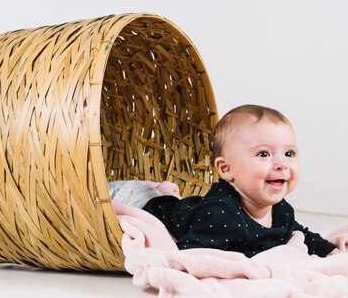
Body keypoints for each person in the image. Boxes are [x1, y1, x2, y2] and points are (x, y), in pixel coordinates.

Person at [142, 104, 337, 258]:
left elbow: (299, 234)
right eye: (264, 154)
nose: (282, 164)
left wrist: (329, 251)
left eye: (289, 153)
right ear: (226, 169)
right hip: (146, 205)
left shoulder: (281, 210)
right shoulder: (220, 215)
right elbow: (191, 253)